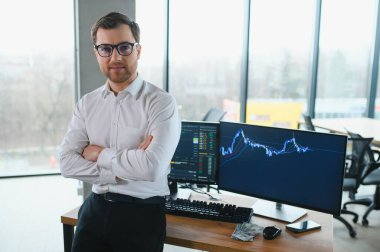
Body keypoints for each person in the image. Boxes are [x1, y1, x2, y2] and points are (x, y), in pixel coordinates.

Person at [60, 12, 181, 252]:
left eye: (124, 47)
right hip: (94, 209)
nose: (115, 56)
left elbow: (151, 167)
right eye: (105, 48)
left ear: (138, 50)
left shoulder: (161, 103)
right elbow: (67, 163)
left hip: (142, 215)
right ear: (96, 53)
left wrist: (99, 154)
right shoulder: (87, 103)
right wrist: (119, 172)